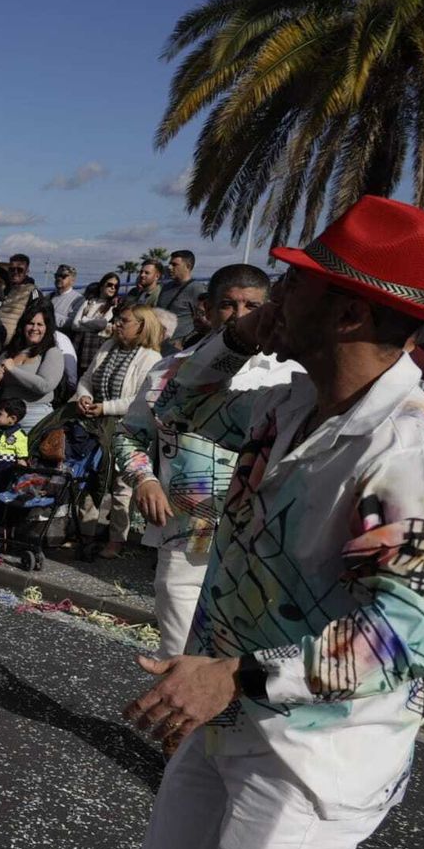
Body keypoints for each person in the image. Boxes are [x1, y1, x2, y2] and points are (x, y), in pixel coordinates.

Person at [120, 195, 424, 849]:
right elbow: (175, 413)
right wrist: (230, 341)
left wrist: (235, 677)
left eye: (293, 285)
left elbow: (405, 632)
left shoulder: (406, 447)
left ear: (347, 310)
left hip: (313, 754)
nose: (269, 301)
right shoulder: (288, 405)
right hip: (228, 719)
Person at [114, 265, 297, 660]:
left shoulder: (290, 377)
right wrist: (145, 480)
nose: (240, 314)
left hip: (259, 541)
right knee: (179, 651)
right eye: (229, 305)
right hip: (186, 537)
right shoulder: (170, 371)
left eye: (252, 305)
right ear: (208, 310)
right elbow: (129, 434)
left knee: (241, 658)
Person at [75, 304, 166, 557]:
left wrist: (105, 407)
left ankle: (117, 540)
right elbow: (86, 379)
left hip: (126, 426)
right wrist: (84, 396)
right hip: (96, 424)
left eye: (124, 321)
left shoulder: (151, 358)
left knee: (121, 486)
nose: (117, 324)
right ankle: (86, 533)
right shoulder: (107, 347)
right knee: (91, 479)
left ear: (141, 327)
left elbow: (142, 398)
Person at [0, 301, 65, 432]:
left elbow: (45, 386)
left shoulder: (52, 352)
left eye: (40, 324)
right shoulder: (8, 352)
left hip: (35, 419)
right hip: (4, 417)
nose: (34, 328)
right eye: (30, 323)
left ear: (47, 328)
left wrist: (13, 370)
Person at [155, 250, 204, 343]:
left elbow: (202, 320)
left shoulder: (196, 289)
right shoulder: (166, 287)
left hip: (178, 345)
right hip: (160, 341)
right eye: (170, 264)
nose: (169, 267)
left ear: (188, 266)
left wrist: (185, 342)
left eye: (174, 264)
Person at [0, 253, 41, 344]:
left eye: (20, 270)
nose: (15, 272)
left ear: (27, 271)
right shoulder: (5, 290)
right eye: (12, 269)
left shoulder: (32, 292)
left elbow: (32, 321)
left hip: (15, 343)